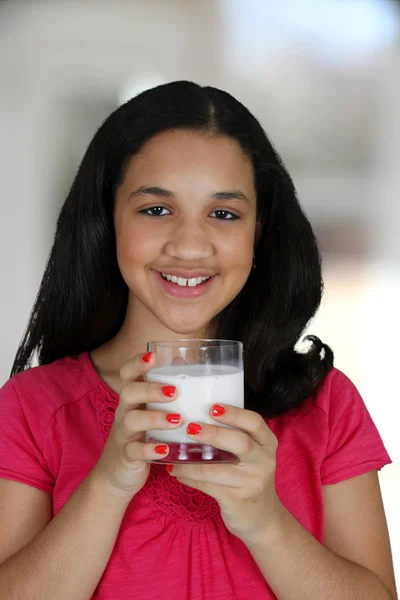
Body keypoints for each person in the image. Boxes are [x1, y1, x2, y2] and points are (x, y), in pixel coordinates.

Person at [0, 81, 397, 600]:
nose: (189, 246)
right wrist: (109, 483)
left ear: (260, 233)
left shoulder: (326, 406)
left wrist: (266, 522)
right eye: (156, 209)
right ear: (107, 219)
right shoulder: (32, 408)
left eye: (225, 214)